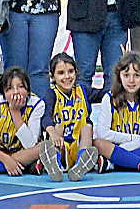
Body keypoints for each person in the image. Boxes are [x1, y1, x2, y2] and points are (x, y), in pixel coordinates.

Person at [37, 49, 100, 181]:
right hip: (61, 146)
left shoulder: (82, 90)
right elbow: (46, 116)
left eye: (70, 71)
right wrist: (53, 134)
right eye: (61, 73)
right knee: (58, 128)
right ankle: (56, 165)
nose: (67, 77)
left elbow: (105, 94)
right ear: (52, 76)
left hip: (79, 145)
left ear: (76, 72)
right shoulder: (51, 94)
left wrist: (120, 75)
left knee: (87, 127)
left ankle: (81, 163)